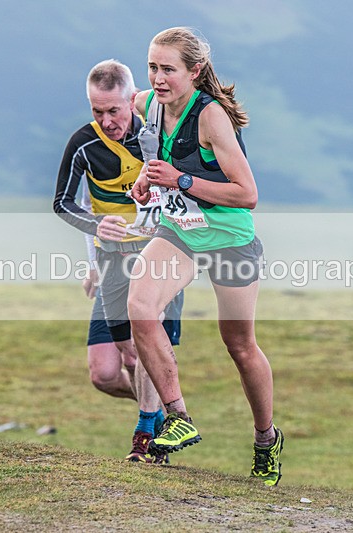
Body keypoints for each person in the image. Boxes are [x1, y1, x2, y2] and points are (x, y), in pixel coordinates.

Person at [127, 27, 284, 486]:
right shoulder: (146, 104)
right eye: (152, 67)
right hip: (180, 232)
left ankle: (265, 439)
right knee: (140, 307)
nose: (157, 78)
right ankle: (178, 416)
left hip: (230, 238)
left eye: (168, 70)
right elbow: (152, 145)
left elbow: (247, 194)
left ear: (194, 72)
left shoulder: (212, 118)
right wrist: (145, 176)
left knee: (238, 344)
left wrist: (179, 181)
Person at [54, 59, 183, 463]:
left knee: (144, 342)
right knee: (108, 372)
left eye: (114, 110)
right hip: (111, 261)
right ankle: (162, 414)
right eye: (97, 111)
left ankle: (145, 436)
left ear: (132, 100)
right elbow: (61, 203)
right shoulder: (83, 144)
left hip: (159, 255)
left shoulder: (160, 134)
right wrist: (95, 227)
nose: (107, 120)